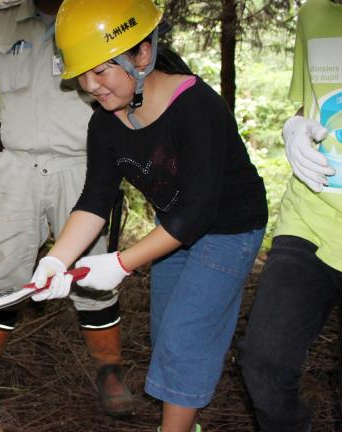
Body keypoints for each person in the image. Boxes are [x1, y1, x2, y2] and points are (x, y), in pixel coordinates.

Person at [28, 0, 268, 431]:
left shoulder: (196, 107)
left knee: (185, 337)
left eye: (101, 70)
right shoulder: (104, 124)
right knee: (165, 334)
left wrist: (120, 263)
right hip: (174, 225)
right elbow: (94, 200)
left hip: (228, 227)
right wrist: (56, 260)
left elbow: (198, 213)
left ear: (142, 54)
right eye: (82, 74)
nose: (91, 85)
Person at [0, 0, 135, 417]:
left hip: (84, 164)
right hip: (15, 166)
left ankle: (109, 369)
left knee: (92, 270)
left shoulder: (98, 17)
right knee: (7, 271)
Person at [238, 1, 342, 431]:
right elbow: (310, 106)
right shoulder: (317, 12)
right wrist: (293, 128)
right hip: (312, 215)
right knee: (263, 361)